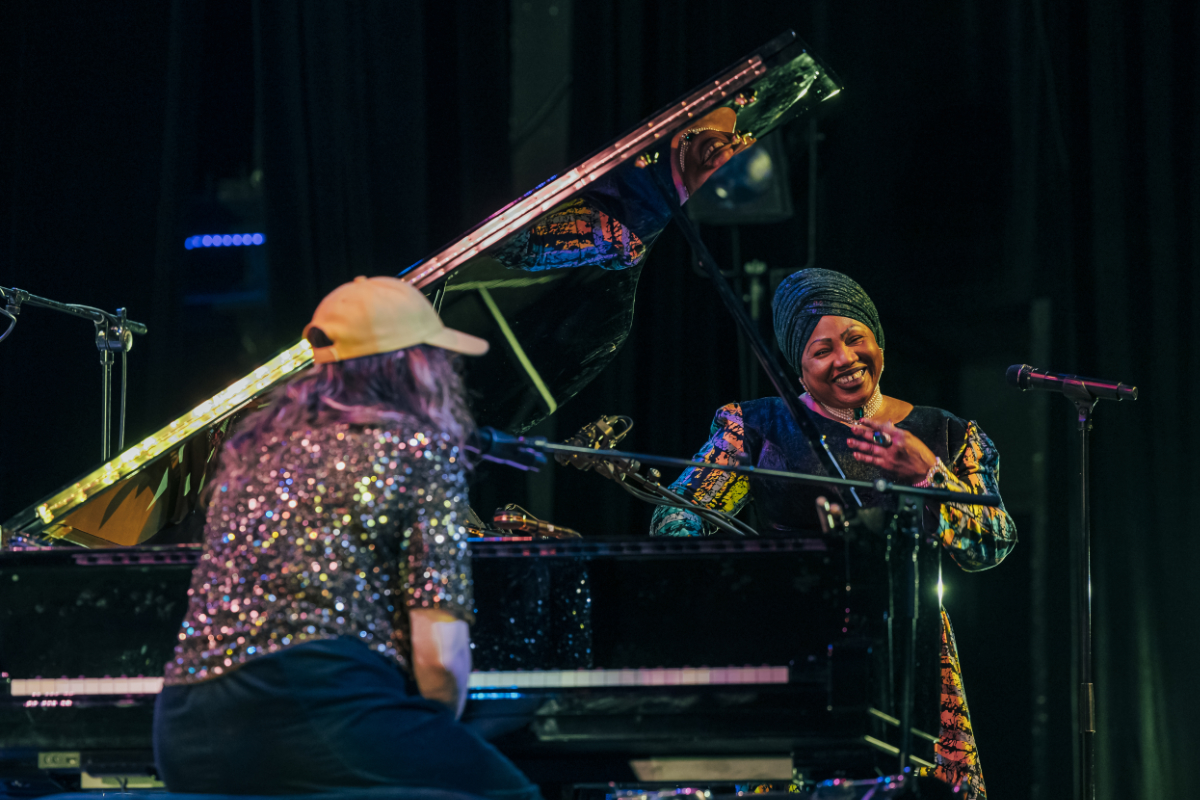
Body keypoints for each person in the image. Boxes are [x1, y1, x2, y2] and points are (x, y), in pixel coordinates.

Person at [154, 276, 541, 800]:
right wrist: (430, 734)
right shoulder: (415, 449)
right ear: (415, 364)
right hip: (315, 702)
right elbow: (439, 657)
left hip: (184, 728)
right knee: (508, 794)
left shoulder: (251, 451)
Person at [650, 268, 1017, 800]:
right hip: (789, 642)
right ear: (799, 368)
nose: (845, 358)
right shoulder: (755, 426)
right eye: (822, 350)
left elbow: (993, 544)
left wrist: (929, 475)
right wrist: (733, 580)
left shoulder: (946, 433)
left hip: (908, 650)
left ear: (879, 343)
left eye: (855, 338)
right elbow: (677, 514)